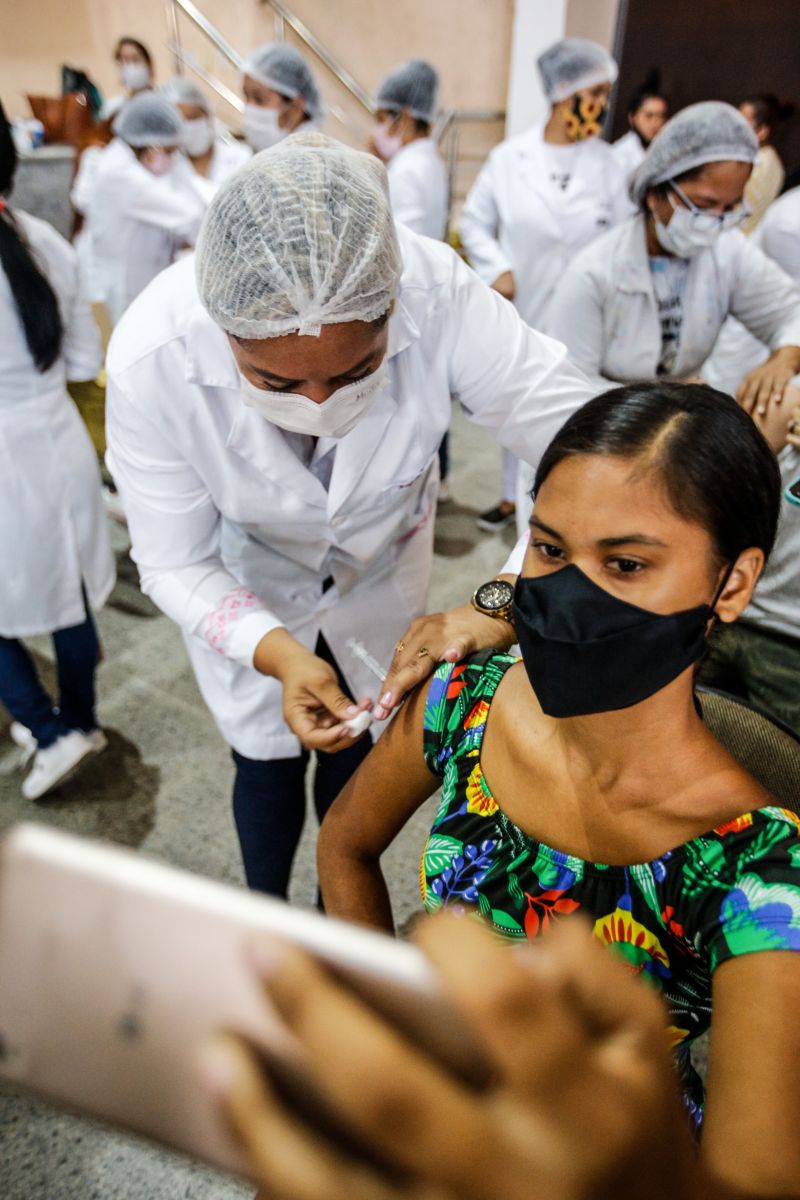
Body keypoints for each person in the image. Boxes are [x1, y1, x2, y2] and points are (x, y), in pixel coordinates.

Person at [317, 381, 800, 1193]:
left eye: (626, 563)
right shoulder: (465, 699)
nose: (572, 597)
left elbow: (749, 1178)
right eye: (549, 549)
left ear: (731, 584)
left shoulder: (757, 872)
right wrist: (389, 1022)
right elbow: (346, 841)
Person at [105, 132, 596, 898]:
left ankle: (342, 915)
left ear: (393, 311)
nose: (319, 407)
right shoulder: (153, 357)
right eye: (274, 380)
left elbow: (588, 448)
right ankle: (265, 912)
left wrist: (498, 600)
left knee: (363, 754)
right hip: (250, 579)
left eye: (357, 371)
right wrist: (274, 652)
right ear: (222, 330)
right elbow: (173, 560)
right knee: (262, 754)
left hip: (382, 574)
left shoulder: (440, 294)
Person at [203, 914, 699, 1200]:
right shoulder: (463, 729)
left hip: (612, 1137)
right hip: (417, 1104)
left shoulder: (761, 869)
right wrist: (374, 998)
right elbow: (344, 845)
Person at [542, 102, 800, 529]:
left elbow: (789, 310)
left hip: (676, 449)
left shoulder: (726, 253)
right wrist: (666, 402)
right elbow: (566, 394)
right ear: (655, 192)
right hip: (599, 446)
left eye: (729, 208)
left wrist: (785, 357)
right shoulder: (593, 274)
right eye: (702, 205)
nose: (714, 223)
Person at [459, 37, 627, 533]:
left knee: (582, 409)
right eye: (593, 92)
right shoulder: (510, 159)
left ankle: (568, 507)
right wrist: (495, 265)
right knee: (520, 402)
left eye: (604, 94)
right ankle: (513, 499)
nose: (599, 105)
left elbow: (621, 239)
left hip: (586, 316)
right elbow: (473, 221)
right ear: (563, 91)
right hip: (526, 305)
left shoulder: (611, 163)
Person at [0, 102, 114, 799]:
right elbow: (80, 364)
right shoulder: (49, 240)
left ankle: (50, 730)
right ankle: (81, 719)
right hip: (56, 437)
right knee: (69, 594)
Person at [87, 92, 208, 324]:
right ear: (150, 144)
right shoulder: (119, 172)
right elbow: (189, 216)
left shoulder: (138, 162)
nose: (173, 158)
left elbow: (192, 193)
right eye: (169, 151)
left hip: (145, 277)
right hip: (125, 285)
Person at [372, 59, 448, 240]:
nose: (379, 130)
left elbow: (403, 247)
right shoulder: (430, 163)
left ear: (404, 118)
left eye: (382, 120)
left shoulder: (405, 170)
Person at [160, 76, 250, 200]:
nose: (189, 128)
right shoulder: (169, 167)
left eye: (193, 117)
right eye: (181, 123)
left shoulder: (241, 156)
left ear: (207, 115)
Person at [241, 42, 323, 152]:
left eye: (260, 99)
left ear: (295, 108)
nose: (249, 107)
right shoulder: (278, 151)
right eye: (246, 97)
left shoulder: (309, 158)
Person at [739, 93, 791, 233]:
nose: (735, 125)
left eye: (742, 121)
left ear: (762, 131)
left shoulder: (760, 164)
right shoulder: (768, 159)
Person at [612, 85, 669, 178]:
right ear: (632, 118)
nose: (655, 123)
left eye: (661, 116)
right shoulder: (619, 156)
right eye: (649, 116)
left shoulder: (667, 152)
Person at [100, 37, 154, 122]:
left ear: (149, 65)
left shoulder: (166, 103)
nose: (130, 66)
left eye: (135, 59)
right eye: (123, 61)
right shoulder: (113, 108)